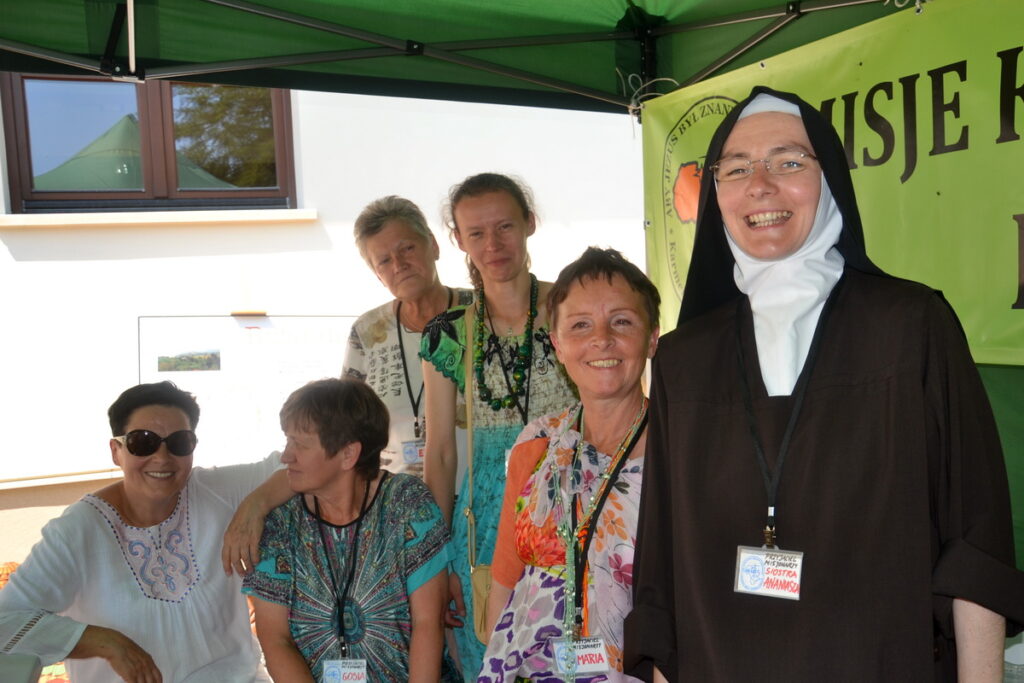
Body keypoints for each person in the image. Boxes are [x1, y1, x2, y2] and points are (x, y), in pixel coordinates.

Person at [624, 86, 1024, 682]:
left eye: (789, 162)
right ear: (715, 193)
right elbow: (663, 569)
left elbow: (975, 543)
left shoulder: (911, 328)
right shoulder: (684, 360)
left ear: (829, 179)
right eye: (737, 168)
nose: (760, 185)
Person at [0, 381, 278, 682]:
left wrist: (256, 504)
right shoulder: (78, 530)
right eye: (143, 442)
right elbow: (7, 621)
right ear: (116, 451)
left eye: (179, 442)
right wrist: (107, 642)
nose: (162, 457)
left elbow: (301, 461)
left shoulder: (215, 491)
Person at [420, 172, 576, 679]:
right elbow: (441, 453)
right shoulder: (448, 334)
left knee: (574, 659)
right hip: (485, 520)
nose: (493, 244)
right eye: (477, 232)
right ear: (458, 240)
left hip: (572, 503)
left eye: (505, 226)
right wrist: (439, 561)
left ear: (530, 223)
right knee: (490, 659)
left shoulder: (574, 311)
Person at [478, 247, 659, 682]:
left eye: (622, 321)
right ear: (557, 345)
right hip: (523, 667)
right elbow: (507, 577)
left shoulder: (679, 453)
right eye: (580, 325)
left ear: (652, 338)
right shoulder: (537, 444)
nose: (601, 338)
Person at [243, 377, 458, 682]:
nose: (285, 456)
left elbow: (428, 623)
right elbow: (275, 638)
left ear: (348, 454)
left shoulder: (405, 503)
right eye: (287, 440)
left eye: (300, 445)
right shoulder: (282, 522)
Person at [344, 195, 474, 478]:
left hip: (479, 491)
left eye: (407, 248)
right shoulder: (367, 332)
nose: (399, 264)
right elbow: (348, 426)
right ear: (378, 275)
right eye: (384, 261)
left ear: (434, 245)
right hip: (395, 496)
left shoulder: (482, 313)